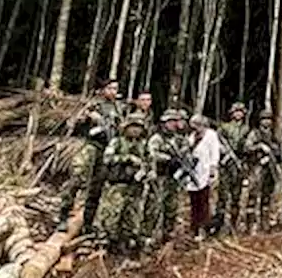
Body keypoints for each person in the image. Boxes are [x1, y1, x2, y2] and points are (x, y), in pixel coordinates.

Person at [58, 77, 123, 233]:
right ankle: (63, 216)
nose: (113, 92)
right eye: (110, 88)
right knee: (77, 180)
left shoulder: (118, 108)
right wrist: (88, 118)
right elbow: (73, 124)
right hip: (91, 146)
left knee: (97, 187)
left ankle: (88, 222)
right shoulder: (93, 105)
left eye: (115, 89)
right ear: (103, 90)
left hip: (106, 150)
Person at [97, 112, 150, 254]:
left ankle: (125, 241)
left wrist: (145, 170)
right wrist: (126, 158)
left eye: (138, 127)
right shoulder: (117, 142)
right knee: (112, 213)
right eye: (132, 127)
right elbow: (107, 159)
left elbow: (150, 162)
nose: (135, 130)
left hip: (136, 185)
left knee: (132, 214)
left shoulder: (144, 144)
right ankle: (106, 241)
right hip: (118, 184)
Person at [145, 109, 190, 247]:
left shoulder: (179, 139)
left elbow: (186, 152)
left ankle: (167, 235)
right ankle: (147, 236)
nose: (173, 125)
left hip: (172, 177)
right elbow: (151, 154)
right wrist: (168, 158)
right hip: (159, 176)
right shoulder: (157, 138)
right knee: (154, 207)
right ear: (164, 123)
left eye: (175, 122)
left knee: (171, 207)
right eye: (170, 122)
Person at [243, 108, 280, 232]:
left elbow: (278, 150)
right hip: (257, 167)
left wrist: (274, 150)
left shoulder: (273, 135)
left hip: (270, 169)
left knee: (267, 197)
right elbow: (247, 147)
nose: (267, 122)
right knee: (253, 195)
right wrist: (259, 146)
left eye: (269, 119)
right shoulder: (255, 133)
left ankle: (264, 224)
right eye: (264, 119)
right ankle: (250, 225)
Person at [186, 114, 221, 239]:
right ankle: (194, 228)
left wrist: (213, 168)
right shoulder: (191, 137)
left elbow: (215, 152)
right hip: (192, 172)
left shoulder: (211, 135)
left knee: (204, 201)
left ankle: (204, 228)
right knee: (194, 202)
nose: (196, 127)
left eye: (198, 124)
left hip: (206, 171)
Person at [216, 102, 248, 233]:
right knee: (222, 196)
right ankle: (218, 225)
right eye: (236, 111)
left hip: (239, 163)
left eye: (240, 112)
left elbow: (247, 146)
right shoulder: (224, 127)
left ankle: (233, 225)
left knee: (237, 196)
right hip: (225, 165)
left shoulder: (246, 129)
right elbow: (217, 142)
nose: (238, 114)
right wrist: (224, 151)